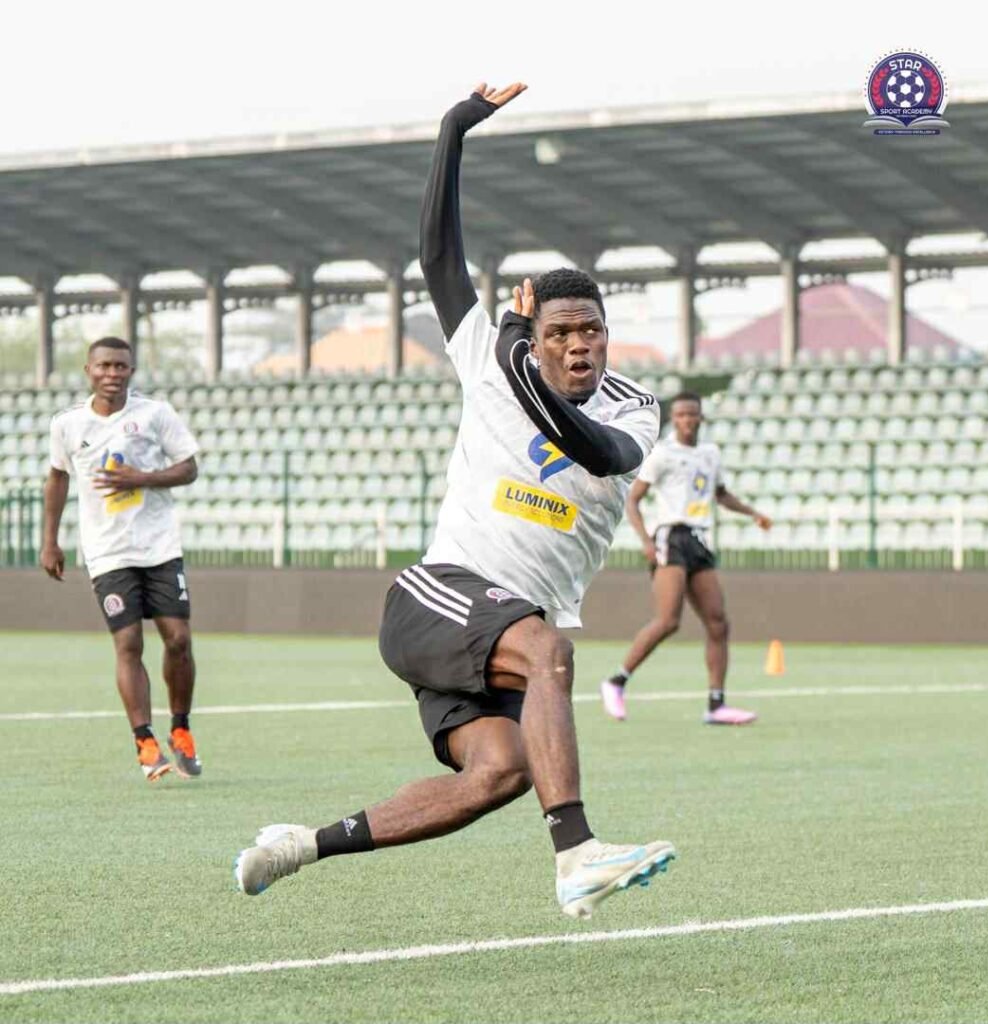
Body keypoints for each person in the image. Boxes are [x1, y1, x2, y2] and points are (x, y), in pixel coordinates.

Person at [234, 82, 674, 919]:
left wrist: (515, 351)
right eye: (558, 333)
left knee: (500, 774)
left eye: (590, 330)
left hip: (498, 626)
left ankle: (300, 845)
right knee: (548, 652)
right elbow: (438, 256)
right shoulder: (489, 354)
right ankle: (577, 853)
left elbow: (595, 450)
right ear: (535, 336)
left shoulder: (632, 407)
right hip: (440, 597)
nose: (578, 345)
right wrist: (453, 130)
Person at [41, 336, 202, 781]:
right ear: (88, 370)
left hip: (160, 547)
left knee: (178, 640)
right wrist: (50, 541)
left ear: (131, 370)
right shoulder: (68, 424)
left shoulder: (155, 414)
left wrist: (142, 478)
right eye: (104, 366)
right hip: (108, 552)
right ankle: (145, 741)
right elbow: (57, 478)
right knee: (128, 643)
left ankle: (181, 729)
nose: (112, 373)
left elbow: (189, 467)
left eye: (120, 366)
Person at [599, 393, 772, 725]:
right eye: (680, 415)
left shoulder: (710, 454)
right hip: (671, 537)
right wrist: (646, 541)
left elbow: (720, 494)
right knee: (668, 620)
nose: (687, 420)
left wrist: (753, 514)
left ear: (701, 418)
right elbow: (633, 500)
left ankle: (716, 704)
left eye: (692, 414)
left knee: (718, 622)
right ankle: (616, 682)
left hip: (698, 538)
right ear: (674, 419)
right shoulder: (663, 454)